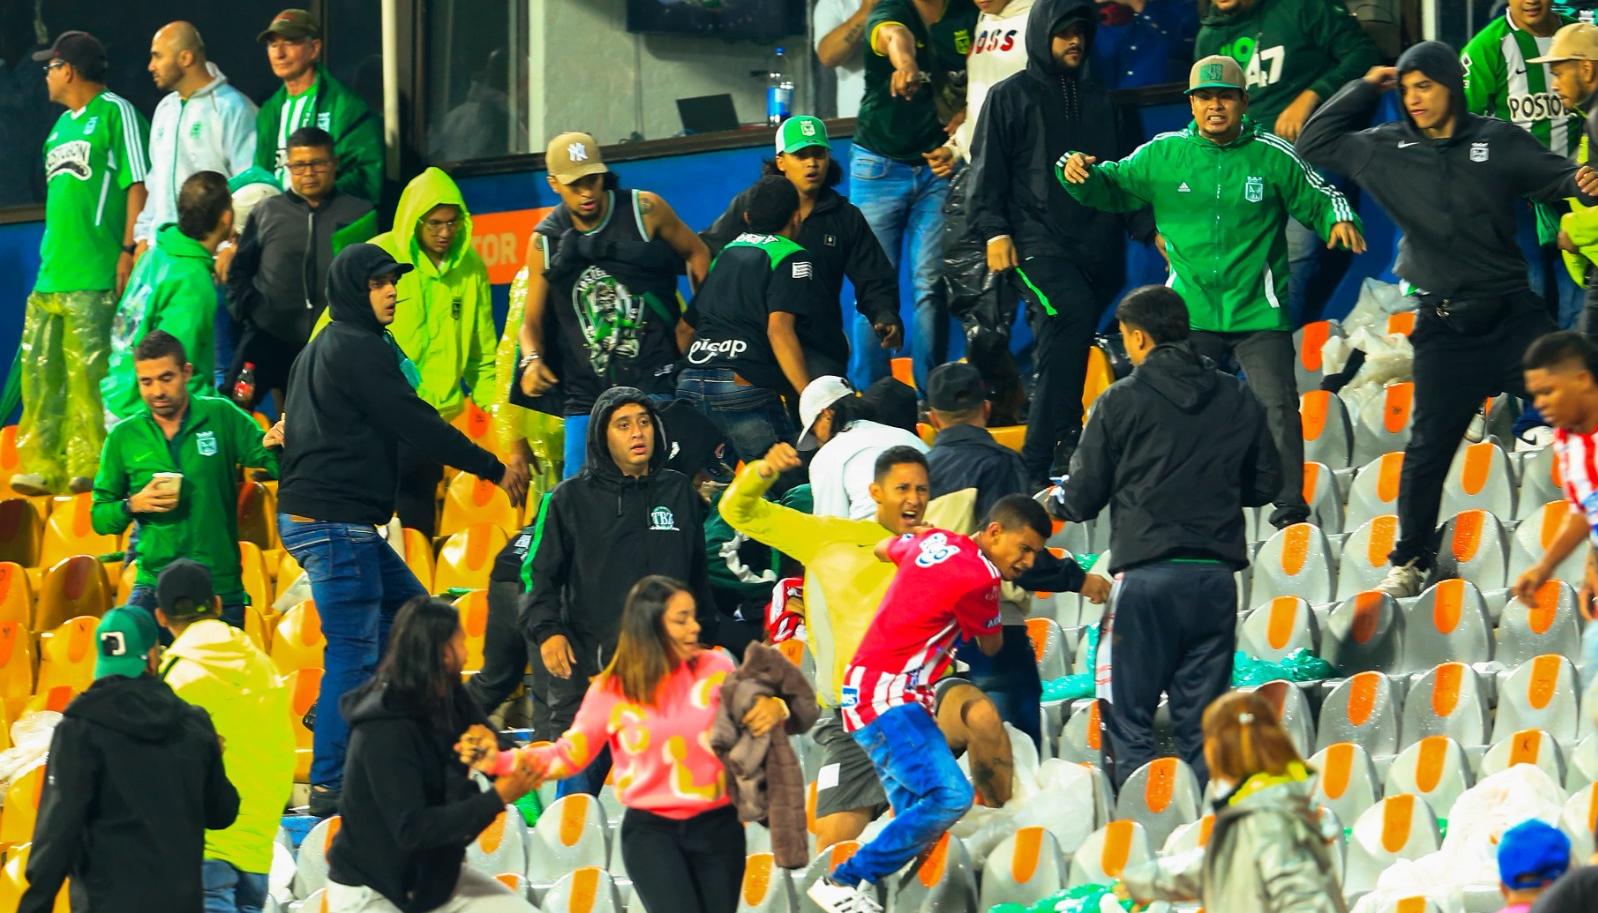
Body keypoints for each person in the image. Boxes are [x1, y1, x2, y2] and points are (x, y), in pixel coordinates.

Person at [1296, 45, 1598, 597]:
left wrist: (1586, 182)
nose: (1415, 99)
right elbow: (1313, 141)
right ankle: (1409, 561)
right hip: (1443, 328)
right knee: (1427, 449)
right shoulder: (1385, 148)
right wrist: (1368, 85)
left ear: (1450, 87)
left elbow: (1561, 178)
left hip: (1512, 317)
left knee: (1588, 411)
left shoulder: (1498, 139)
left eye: (1425, 87)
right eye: (1407, 90)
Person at [1060, 54, 1362, 530]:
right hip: (1190, 315)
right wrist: (1074, 172)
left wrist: (1340, 218)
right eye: (1204, 97)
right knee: (1171, 405)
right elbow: (1110, 186)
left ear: (1244, 101)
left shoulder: (1273, 155)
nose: (1214, 105)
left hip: (1258, 312)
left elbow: (1321, 194)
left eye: (1224, 96)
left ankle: (1288, 507)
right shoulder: (1163, 154)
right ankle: (1176, 495)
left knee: (1278, 407)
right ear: (1192, 104)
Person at [277, 243, 526, 816]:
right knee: (356, 647)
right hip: (333, 523)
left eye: (393, 282)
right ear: (353, 291)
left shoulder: (320, 350)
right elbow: (416, 425)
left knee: (418, 623)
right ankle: (330, 786)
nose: (392, 291)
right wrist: (492, 466)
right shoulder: (358, 349)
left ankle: (345, 707)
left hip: (328, 520)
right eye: (380, 283)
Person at [721, 443, 1021, 849]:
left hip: (926, 695)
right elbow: (737, 512)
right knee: (831, 848)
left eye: (921, 489)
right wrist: (763, 471)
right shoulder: (828, 536)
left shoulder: (943, 546)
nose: (914, 499)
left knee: (982, 717)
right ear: (875, 492)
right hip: (853, 715)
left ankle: (1002, 835)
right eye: (902, 488)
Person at [1048, 285, 1281, 787]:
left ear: (1136, 338)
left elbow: (1083, 496)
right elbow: (1267, 484)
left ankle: (1139, 842)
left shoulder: (1119, 400)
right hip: (1215, 581)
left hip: (1146, 580)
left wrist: (1054, 503)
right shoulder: (1238, 394)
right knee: (1205, 728)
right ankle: (1203, 838)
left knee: (1126, 719)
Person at [467, 577, 788, 913]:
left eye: (693, 616)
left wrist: (775, 708)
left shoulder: (717, 668)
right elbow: (567, 756)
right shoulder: (613, 689)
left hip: (718, 828)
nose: (695, 627)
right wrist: (501, 761)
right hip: (654, 834)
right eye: (681, 620)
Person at [806, 495, 1047, 913]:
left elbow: (886, 548)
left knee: (918, 829)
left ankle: (900, 901)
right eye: (1023, 548)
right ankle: (839, 881)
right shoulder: (980, 578)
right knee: (950, 797)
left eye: (1035, 553)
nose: (1027, 561)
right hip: (889, 695)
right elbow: (991, 645)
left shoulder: (934, 541)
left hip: (870, 690)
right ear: (994, 531)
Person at [969, 0, 1154, 486]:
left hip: (1097, 249)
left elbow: (1125, 180)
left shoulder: (1103, 102)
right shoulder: (1010, 96)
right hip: (1035, 242)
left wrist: (1150, 231)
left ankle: (1061, 451)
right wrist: (995, 230)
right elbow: (987, 172)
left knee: (1065, 344)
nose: (1075, 41)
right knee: (1067, 315)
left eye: (1081, 32)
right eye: (1063, 32)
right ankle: (1035, 464)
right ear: (1041, 35)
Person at [521, 388, 714, 797]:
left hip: (667, 677)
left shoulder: (678, 492)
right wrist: (547, 631)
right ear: (600, 437)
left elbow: (698, 579)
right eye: (623, 425)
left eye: (644, 422)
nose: (637, 433)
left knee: (673, 803)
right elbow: (536, 576)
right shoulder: (567, 499)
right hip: (594, 675)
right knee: (574, 810)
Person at [925, 361, 1111, 747]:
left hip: (933, 638)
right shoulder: (1000, 463)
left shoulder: (918, 475)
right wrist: (1079, 579)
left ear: (932, 418)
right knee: (1012, 753)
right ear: (987, 409)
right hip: (993, 628)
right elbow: (1017, 555)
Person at [312, 166, 496, 536]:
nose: (445, 233)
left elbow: (483, 357)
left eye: (452, 222)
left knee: (416, 528)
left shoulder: (471, 268)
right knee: (369, 524)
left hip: (429, 424)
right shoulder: (377, 257)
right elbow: (329, 335)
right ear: (415, 220)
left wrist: (502, 420)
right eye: (435, 224)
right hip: (374, 422)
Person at [19, 607, 239, 913]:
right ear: (152, 656)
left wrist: (36, 903)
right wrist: (213, 759)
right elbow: (223, 813)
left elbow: (59, 830)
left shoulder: (79, 729)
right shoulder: (194, 724)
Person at [327, 597, 538, 913]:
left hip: (432, 881)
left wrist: (498, 757)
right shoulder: (384, 730)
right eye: (462, 641)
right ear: (443, 653)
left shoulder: (452, 699)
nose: (468, 652)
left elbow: (504, 759)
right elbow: (413, 829)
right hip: (372, 890)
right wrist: (498, 797)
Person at [518, 131, 709, 478]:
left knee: (665, 485)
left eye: (593, 179)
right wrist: (531, 361)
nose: (587, 192)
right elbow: (530, 322)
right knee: (579, 497)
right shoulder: (544, 242)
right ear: (554, 184)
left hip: (653, 380)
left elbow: (696, 252)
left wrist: (695, 321)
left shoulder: (644, 210)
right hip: (586, 394)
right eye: (575, 184)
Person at [12, 30, 151, 498]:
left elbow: (139, 182)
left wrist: (129, 248)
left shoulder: (117, 113)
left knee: (90, 373)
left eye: (48, 68)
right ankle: (42, 465)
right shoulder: (59, 129)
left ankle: (93, 464)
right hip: (52, 272)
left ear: (67, 69)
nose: (45, 77)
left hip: (93, 272)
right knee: (41, 372)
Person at [1195, 0, 1378, 325]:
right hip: (1243, 164)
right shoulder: (1209, 39)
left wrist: (1312, 95)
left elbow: (1362, 55)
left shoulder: (1301, 8)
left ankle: (1275, 352)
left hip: (1305, 152)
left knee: (1296, 254)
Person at [93, 330, 282, 628]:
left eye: (166, 378)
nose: (157, 391)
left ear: (186, 372)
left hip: (219, 585)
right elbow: (100, 517)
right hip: (155, 585)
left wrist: (280, 444)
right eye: (146, 382)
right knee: (125, 654)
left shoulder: (220, 415)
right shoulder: (123, 437)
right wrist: (133, 504)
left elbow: (272, 461)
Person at [703, 116, 902, 382]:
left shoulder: (845, 217)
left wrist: (884, 313)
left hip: (818, 345)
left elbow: (873, 275)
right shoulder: (751, 204)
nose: (812, 163)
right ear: (781, 161)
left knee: (827, 411)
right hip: (752, 344)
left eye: (818, 154)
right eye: (801, 155)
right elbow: (710, 252)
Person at [1115, 690, 1345, 913]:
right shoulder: (1261, 806)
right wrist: (1147, 881)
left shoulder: (1269, 817)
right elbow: (1217, 867)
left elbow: (1304, 901)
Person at [851, 0, 980, 390]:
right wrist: (904, 64)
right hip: (879, 167)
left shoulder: (969, 13)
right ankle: (871, 394)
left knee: (931, 286)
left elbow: (983, 77)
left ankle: (930, 394)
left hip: (937, 167)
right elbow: (894, 35)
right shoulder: (892, 8)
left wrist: (966, 117)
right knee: (873, 287)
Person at [155, 560, 294, 913]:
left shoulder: (178, 677)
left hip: (205, 851)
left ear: (161, 617)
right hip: (257, 845)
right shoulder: (263, 664)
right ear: (217, 604)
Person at [224, 126, 376, 408]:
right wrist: (251, 311)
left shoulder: (359, 213)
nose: (308, 172)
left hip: (331, 342)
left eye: (318, 164)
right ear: (289, 166)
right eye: (299, 165)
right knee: (234, 409)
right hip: (268, 337)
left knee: (324, 422)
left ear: (334, 164)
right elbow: (239, 273)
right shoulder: (267, 212)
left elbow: (374, 279)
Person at [1463, 0, 1586, 330]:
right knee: (1531, 285)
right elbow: (1460, 126)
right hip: (1516, 194)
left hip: (1578, 185)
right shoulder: (1486, 47)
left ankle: (1576, 371)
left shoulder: (1579, 35)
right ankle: (1527, 375)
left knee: (1579, 292)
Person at [680, 176, 812, 461]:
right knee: (787, 489)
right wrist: (810, 397)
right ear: (796, 217)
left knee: (719, 496)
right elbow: (779, 331)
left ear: (747, 217)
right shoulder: (793, 257)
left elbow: (683, 329)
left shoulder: (726, 253)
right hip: (742, 387)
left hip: (690, 385)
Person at [102, 172, 234, 423]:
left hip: (118, 393)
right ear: (226, 218)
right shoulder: (192, 280)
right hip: (145, 415)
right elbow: (174, 369)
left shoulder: (155, 254)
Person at [1510, 332, 1598, 682]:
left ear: (1582, 380)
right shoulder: (1566, 440)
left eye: (1548, 391)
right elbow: (1586, 509)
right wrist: (1556, 568)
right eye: (1535, 395)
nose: (1540, 404)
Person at [138, 21, 257, 252]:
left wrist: (233, 246)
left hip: (212, 256)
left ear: (185, 58)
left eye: (158, 57)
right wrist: (144, 236)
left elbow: (250, 186)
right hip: (163, 252)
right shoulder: (164, 110)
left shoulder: (233, 108)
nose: (150, 66)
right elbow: (156, 181)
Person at [255, 9, 382, 203]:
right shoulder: (269, 111)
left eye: (289, 42)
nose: (279, 53)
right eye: (273, 44)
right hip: (277, 224)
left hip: (329, 223)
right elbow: (260, 173)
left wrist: (317, 202)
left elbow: (367, 175)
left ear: (314, 49)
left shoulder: (345, 106)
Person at [1533, 24, 1598, 337]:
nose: (1554, 85)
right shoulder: (1589, 120)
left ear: (1586, 69)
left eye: (1559, 73)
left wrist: (1572, 228)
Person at [799, 375, 929, 520]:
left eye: (813, 431)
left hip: (876, 538)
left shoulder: (826, 456)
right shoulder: (904, 435)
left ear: (827, 414)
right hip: (937, 532)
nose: (817, 441)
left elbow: (832, 527)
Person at [814, 0, 875, 118]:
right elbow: (827, 56)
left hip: (915, 118)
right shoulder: (834, 3)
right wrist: (866, 11)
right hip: (861, 121)